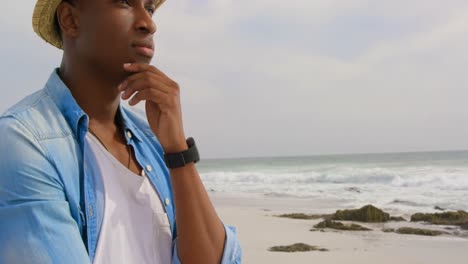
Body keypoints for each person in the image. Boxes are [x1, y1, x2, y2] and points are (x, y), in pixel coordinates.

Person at [0, 0, 242, 263]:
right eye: (125, 3)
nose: (149, 23)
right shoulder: (25, 140)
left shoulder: (152, 138)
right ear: (70, 19)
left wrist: (178, 151)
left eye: (149, 8)